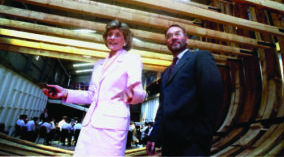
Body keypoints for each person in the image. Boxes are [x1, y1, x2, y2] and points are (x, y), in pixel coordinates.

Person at [42, 19, 146, 156]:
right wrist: (65, 93)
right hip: (90, 125)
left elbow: (137, 91)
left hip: (112, 126)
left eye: (117, 35)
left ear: (126, 41)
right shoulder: (98, 65)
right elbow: (92, 95)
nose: (112, 38)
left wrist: (137, 94)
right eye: (109, 34)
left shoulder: (132, 59)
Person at [146, 24, 223, 156]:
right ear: (167, 43)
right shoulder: (165, 73)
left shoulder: (200, 58)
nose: (173, 38)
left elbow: (213, 95)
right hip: (169, 144)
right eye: (169, 36)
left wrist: (201, 134)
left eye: (177, 34)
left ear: (186, 39)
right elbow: (163, 108)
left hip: (193, 143)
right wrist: (154, 136)